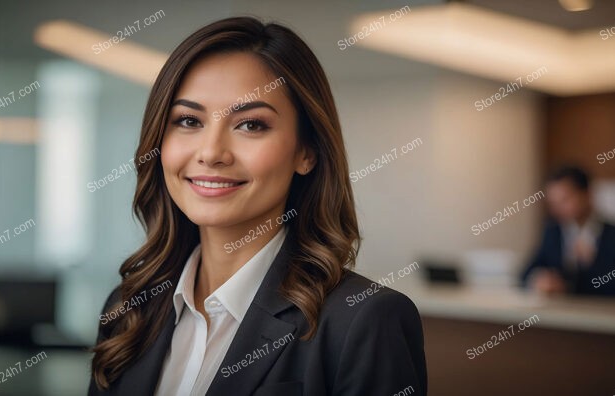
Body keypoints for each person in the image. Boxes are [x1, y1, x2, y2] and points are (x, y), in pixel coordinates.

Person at [88, 17, 427, 396]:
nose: (212, 152)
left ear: (307, 151)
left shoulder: (363, 320)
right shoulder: (128, 309)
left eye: (250, 125)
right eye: (188, 120)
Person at [521, 166, 615, 297]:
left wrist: (588, 265)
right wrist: (539, 280)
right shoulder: (553, 232)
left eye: (565, 200)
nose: (558, 208)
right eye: (553, 203)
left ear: (587, 195)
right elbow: (526, 273)